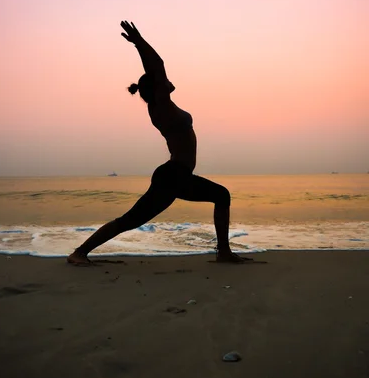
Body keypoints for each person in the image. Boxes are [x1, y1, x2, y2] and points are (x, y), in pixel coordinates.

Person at [67, 21, 252, 265]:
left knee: (217, 197)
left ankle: (224, 252)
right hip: (173, 176)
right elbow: (157, 66)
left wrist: (140, 45)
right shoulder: (161, 106)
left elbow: (157, 73)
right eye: (163, 81)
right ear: (157, 89)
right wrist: (139, 43)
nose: (168, 81)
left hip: (175, 175)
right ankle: (79, 253)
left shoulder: (162, 107)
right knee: (132, 219)